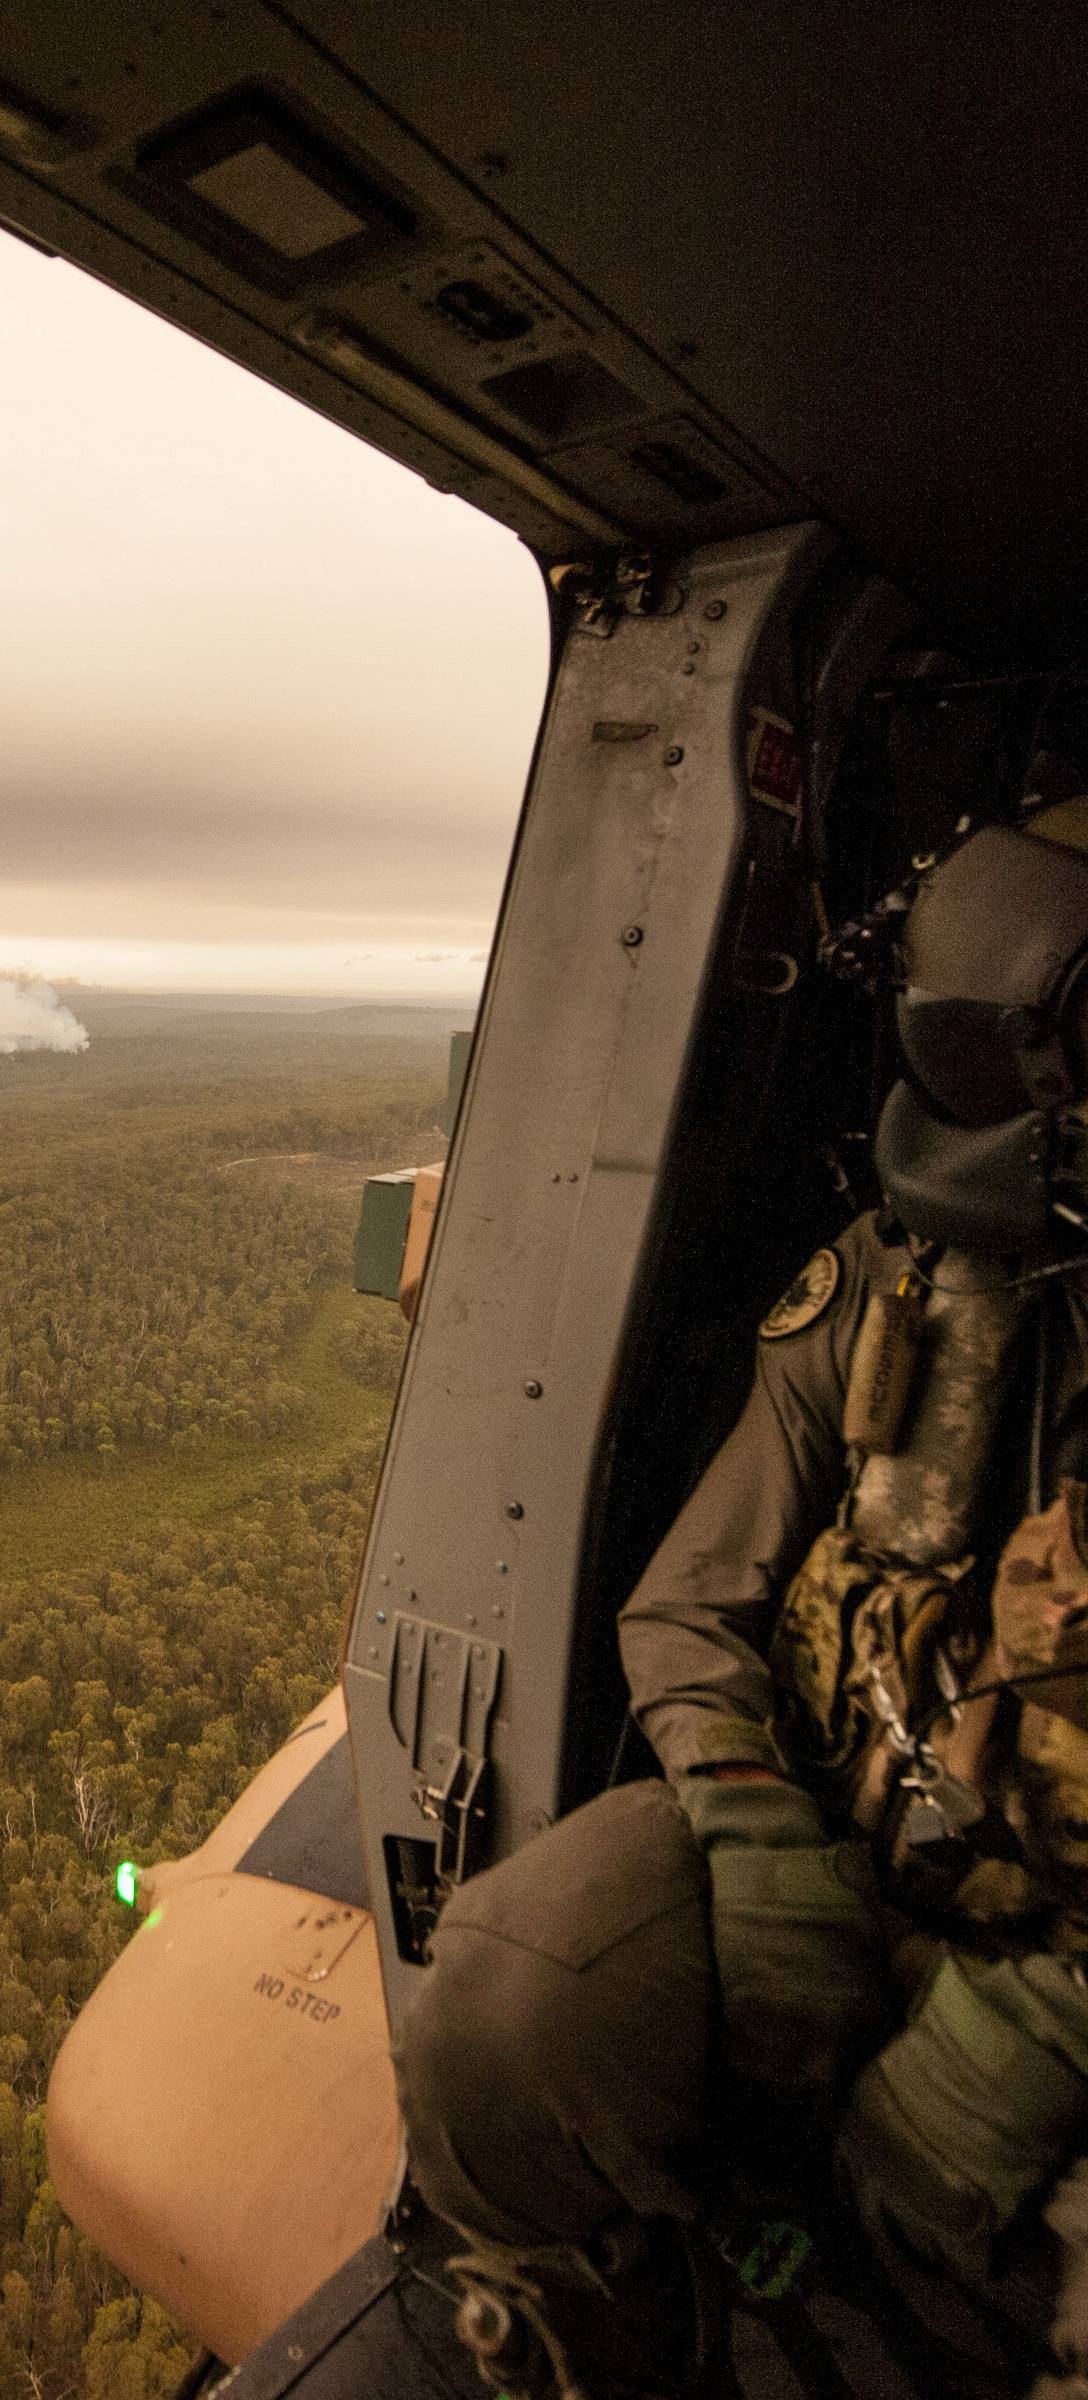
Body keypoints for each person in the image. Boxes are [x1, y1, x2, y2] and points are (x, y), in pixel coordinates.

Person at [391, 800, 1088, 2400]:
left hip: (1058, 1960)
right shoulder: (897, 1298)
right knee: (506, 2012)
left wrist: (1052, 2027)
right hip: (847, 1853)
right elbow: (686, 1608)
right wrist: (755, 1830)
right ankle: (629, 2314)